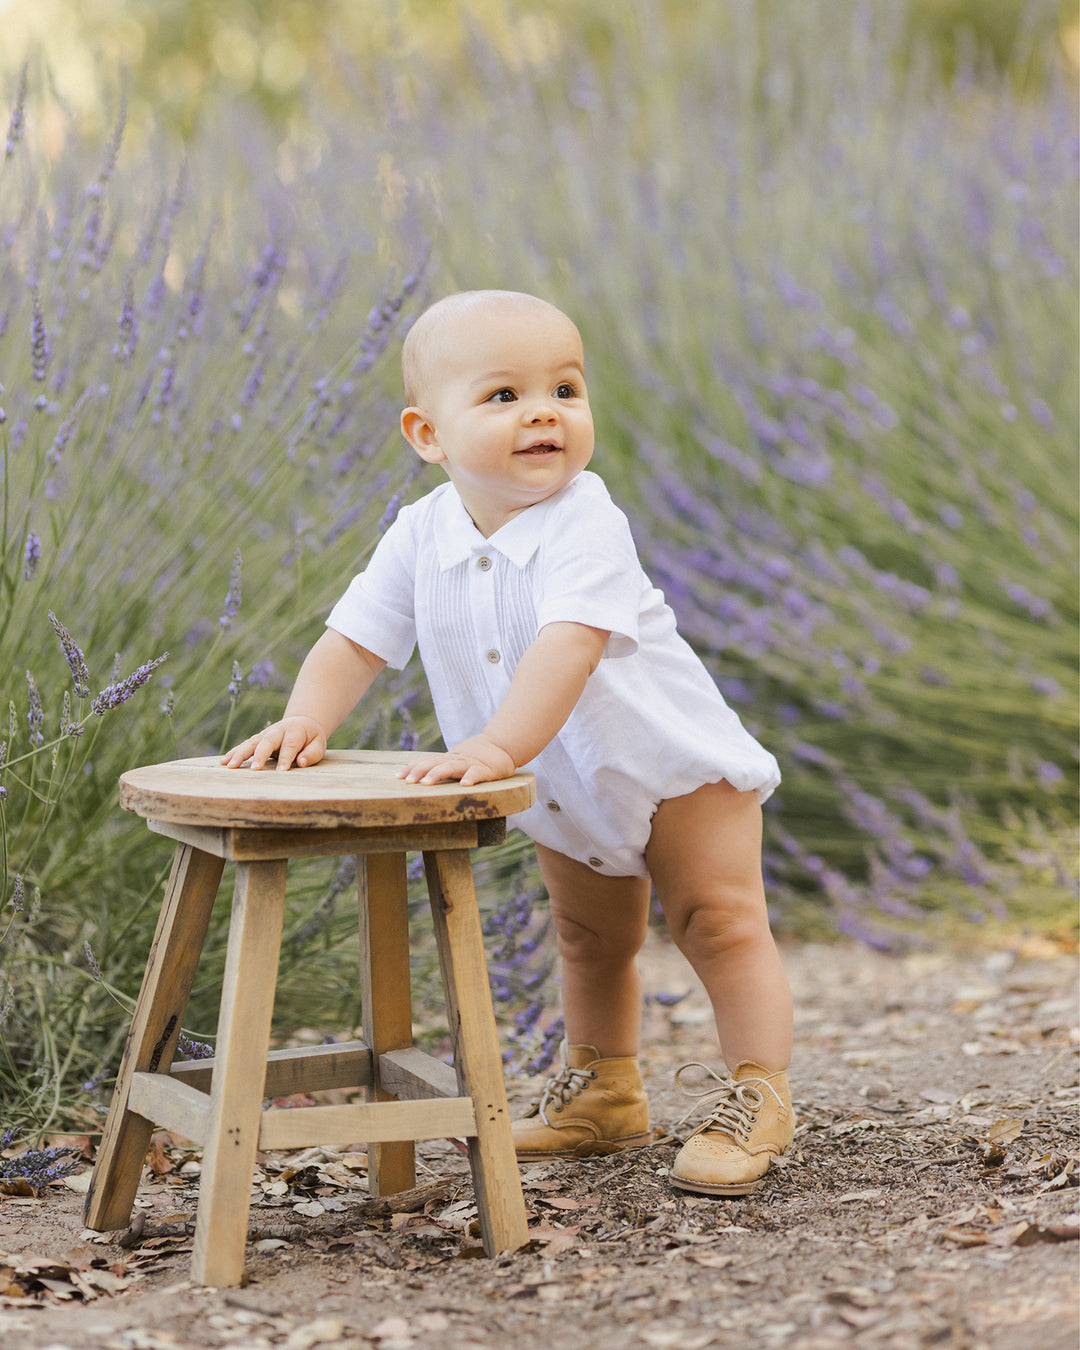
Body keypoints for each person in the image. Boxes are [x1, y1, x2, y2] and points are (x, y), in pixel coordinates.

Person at [222, 289, 795, 1195]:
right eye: (503, 397)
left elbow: (568, 645)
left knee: (717, 924)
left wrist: (493, 747)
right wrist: (308, 717)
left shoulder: (587, 521)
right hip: (564, 778)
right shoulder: (419, 533)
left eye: (566, 388)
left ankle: (756, 1094)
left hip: (668, 763)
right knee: (585, 938)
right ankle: (604, 1094)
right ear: (427, 435)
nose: (544, 412)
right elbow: (357, 637)